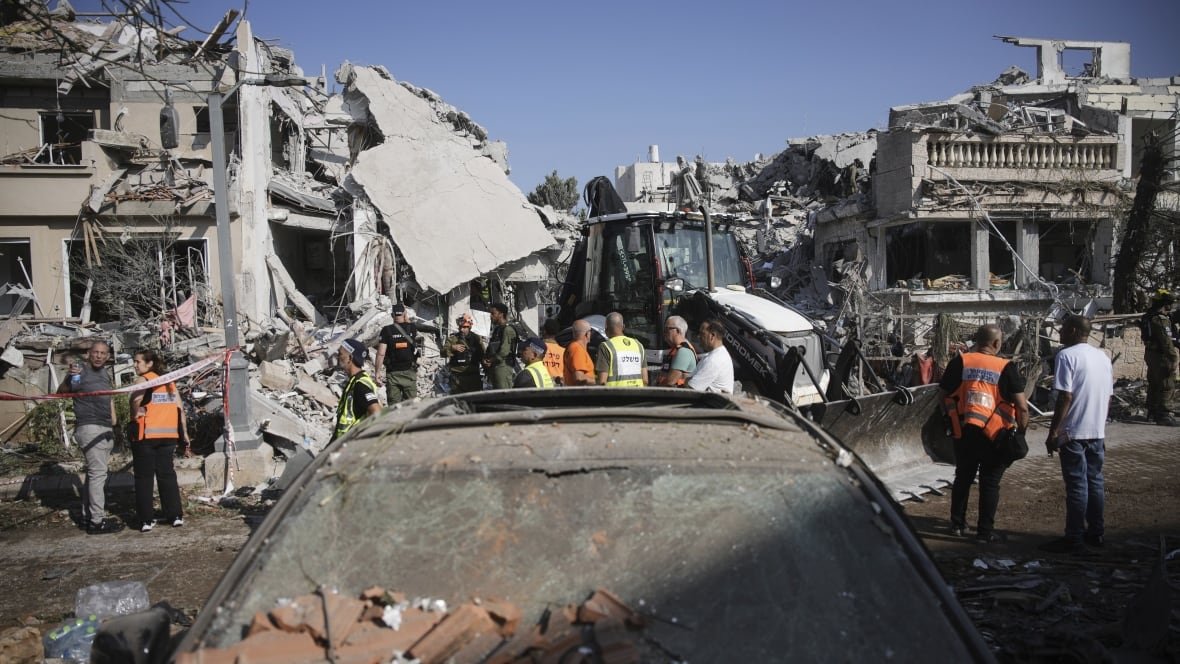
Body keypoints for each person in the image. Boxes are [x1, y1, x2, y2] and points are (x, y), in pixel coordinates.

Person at [938, 324, 1030, 543]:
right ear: (997, 344)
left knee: (963, 478)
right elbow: (1022, 407)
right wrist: (1021, 432)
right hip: (996, 435)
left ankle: (957, 525)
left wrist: (949, 420)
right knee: (990, 483)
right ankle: (984, 532)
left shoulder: (961, 361)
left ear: (977, 341)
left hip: (964, 432)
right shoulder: (1006, 367)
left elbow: (942, 395)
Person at [1040, 315, 1113, 554]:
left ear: (1072, 330)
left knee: (1077, 486)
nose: (1059, 332)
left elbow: (1065, 396)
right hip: (1096, 431)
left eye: (1062, 328)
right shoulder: (1103, 357)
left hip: (1073, 432)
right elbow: (1107, 395)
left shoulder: (1067, 356)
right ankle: (1096, 533)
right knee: (1095, 483)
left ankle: (1074, 538)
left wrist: (1054, 432)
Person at [58, 340, 121, 534]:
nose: (99, 356)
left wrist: (114, 424)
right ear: (88, 353)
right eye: (96, 352)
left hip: (103, 428)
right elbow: (62, 393)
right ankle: (96, 522)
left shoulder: (104, 373)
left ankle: (89, 517)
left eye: (103, 353)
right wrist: (69, 379)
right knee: (98, 475)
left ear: (108, 356)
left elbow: (108, 399)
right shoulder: (80, 371)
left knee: (95, 475)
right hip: (90, 427)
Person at [129, 349, 189, 533]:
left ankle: (146, 519)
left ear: (149, 364)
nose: (135, 365)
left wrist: (134, 413)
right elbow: (180, 410)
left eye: (138, 361)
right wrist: (184, 435)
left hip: (146, 436)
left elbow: (135, 403)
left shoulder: (144, 380)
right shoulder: (169, 382)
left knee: (144, 478)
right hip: (169, 436)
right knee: (167, 475)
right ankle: (175, 515)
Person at [331, 338, 382, 443]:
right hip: (341, 443)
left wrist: (361, 441)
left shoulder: (360, 385)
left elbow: (377, 413)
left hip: (349, 445)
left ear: (350, 358)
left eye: (340, 354)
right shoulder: (353, 381)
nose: (337, 357)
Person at [1143, 290, 1178, 426]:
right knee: (1166, 384)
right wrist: (1173, 358)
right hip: (1161, 355)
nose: (1172, 307)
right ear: (1166, 304)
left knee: (1154, 383)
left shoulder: (1148, 316)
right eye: (1171, 304)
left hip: (1150, 354)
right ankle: (1163, 414)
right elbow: (1166, 341)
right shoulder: (1161, 319)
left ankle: (1152, 411)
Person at [374, 303, 419, 405]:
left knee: (394, 408)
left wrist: (377, 373)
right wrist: (405, 316)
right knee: (412, 406)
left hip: (393, 373)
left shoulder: (386, 330)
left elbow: (381, 354)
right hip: (409, 371)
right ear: (404, 313)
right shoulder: (412, 328)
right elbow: (408, 324)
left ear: (392, 315)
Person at [596, 312, 648, 387]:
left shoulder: (605, 346)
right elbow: (645, 380)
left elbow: (602, 381)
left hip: (615, 396)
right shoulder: (638, 345)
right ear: (623, 327)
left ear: (606, 329)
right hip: (637, 395)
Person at [688, 319, 734, 394]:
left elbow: (691, 388)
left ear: (712, 336)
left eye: (702, 333)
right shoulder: (714, 355)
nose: (698, 336)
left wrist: (687, 382)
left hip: (710, 405)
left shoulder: (715, 360)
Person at [444, 312, 484, 394]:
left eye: (465, 327)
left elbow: (482, 355)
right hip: (457, 377)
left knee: (474, 403)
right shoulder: (453, 338)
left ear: (470, 327)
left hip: (473, 377)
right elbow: (443, 352)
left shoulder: (476, 338)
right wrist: (452, 348)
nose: (462, 329)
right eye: (460, 327)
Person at [483, 302, 518, 390]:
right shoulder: (498, 329)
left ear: (501, 314)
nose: (491, 316)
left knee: (504, 394)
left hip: (503, 367)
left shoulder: (508, 329)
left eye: (493, 313)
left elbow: (504, 351)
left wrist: (491, 360)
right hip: (495, 366)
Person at [657, 316, 697, 387]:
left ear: (678, 331)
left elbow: (671, 381)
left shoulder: (683, 351)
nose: (664, 333)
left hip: (677, 395)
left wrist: (654, 391)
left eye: (667, 329)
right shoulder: (677, 349)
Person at [563, 319, 596, 386]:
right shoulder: (577, 349)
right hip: (580, 394)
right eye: (590, 332)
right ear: (587, 334)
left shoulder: (575, 347)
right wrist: (598, 381)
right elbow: (579, 378)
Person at [541, 319, 565, 386]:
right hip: (558, 387)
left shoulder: (537, 349)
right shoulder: (564, 352)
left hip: (541, 386)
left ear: (544, 331)